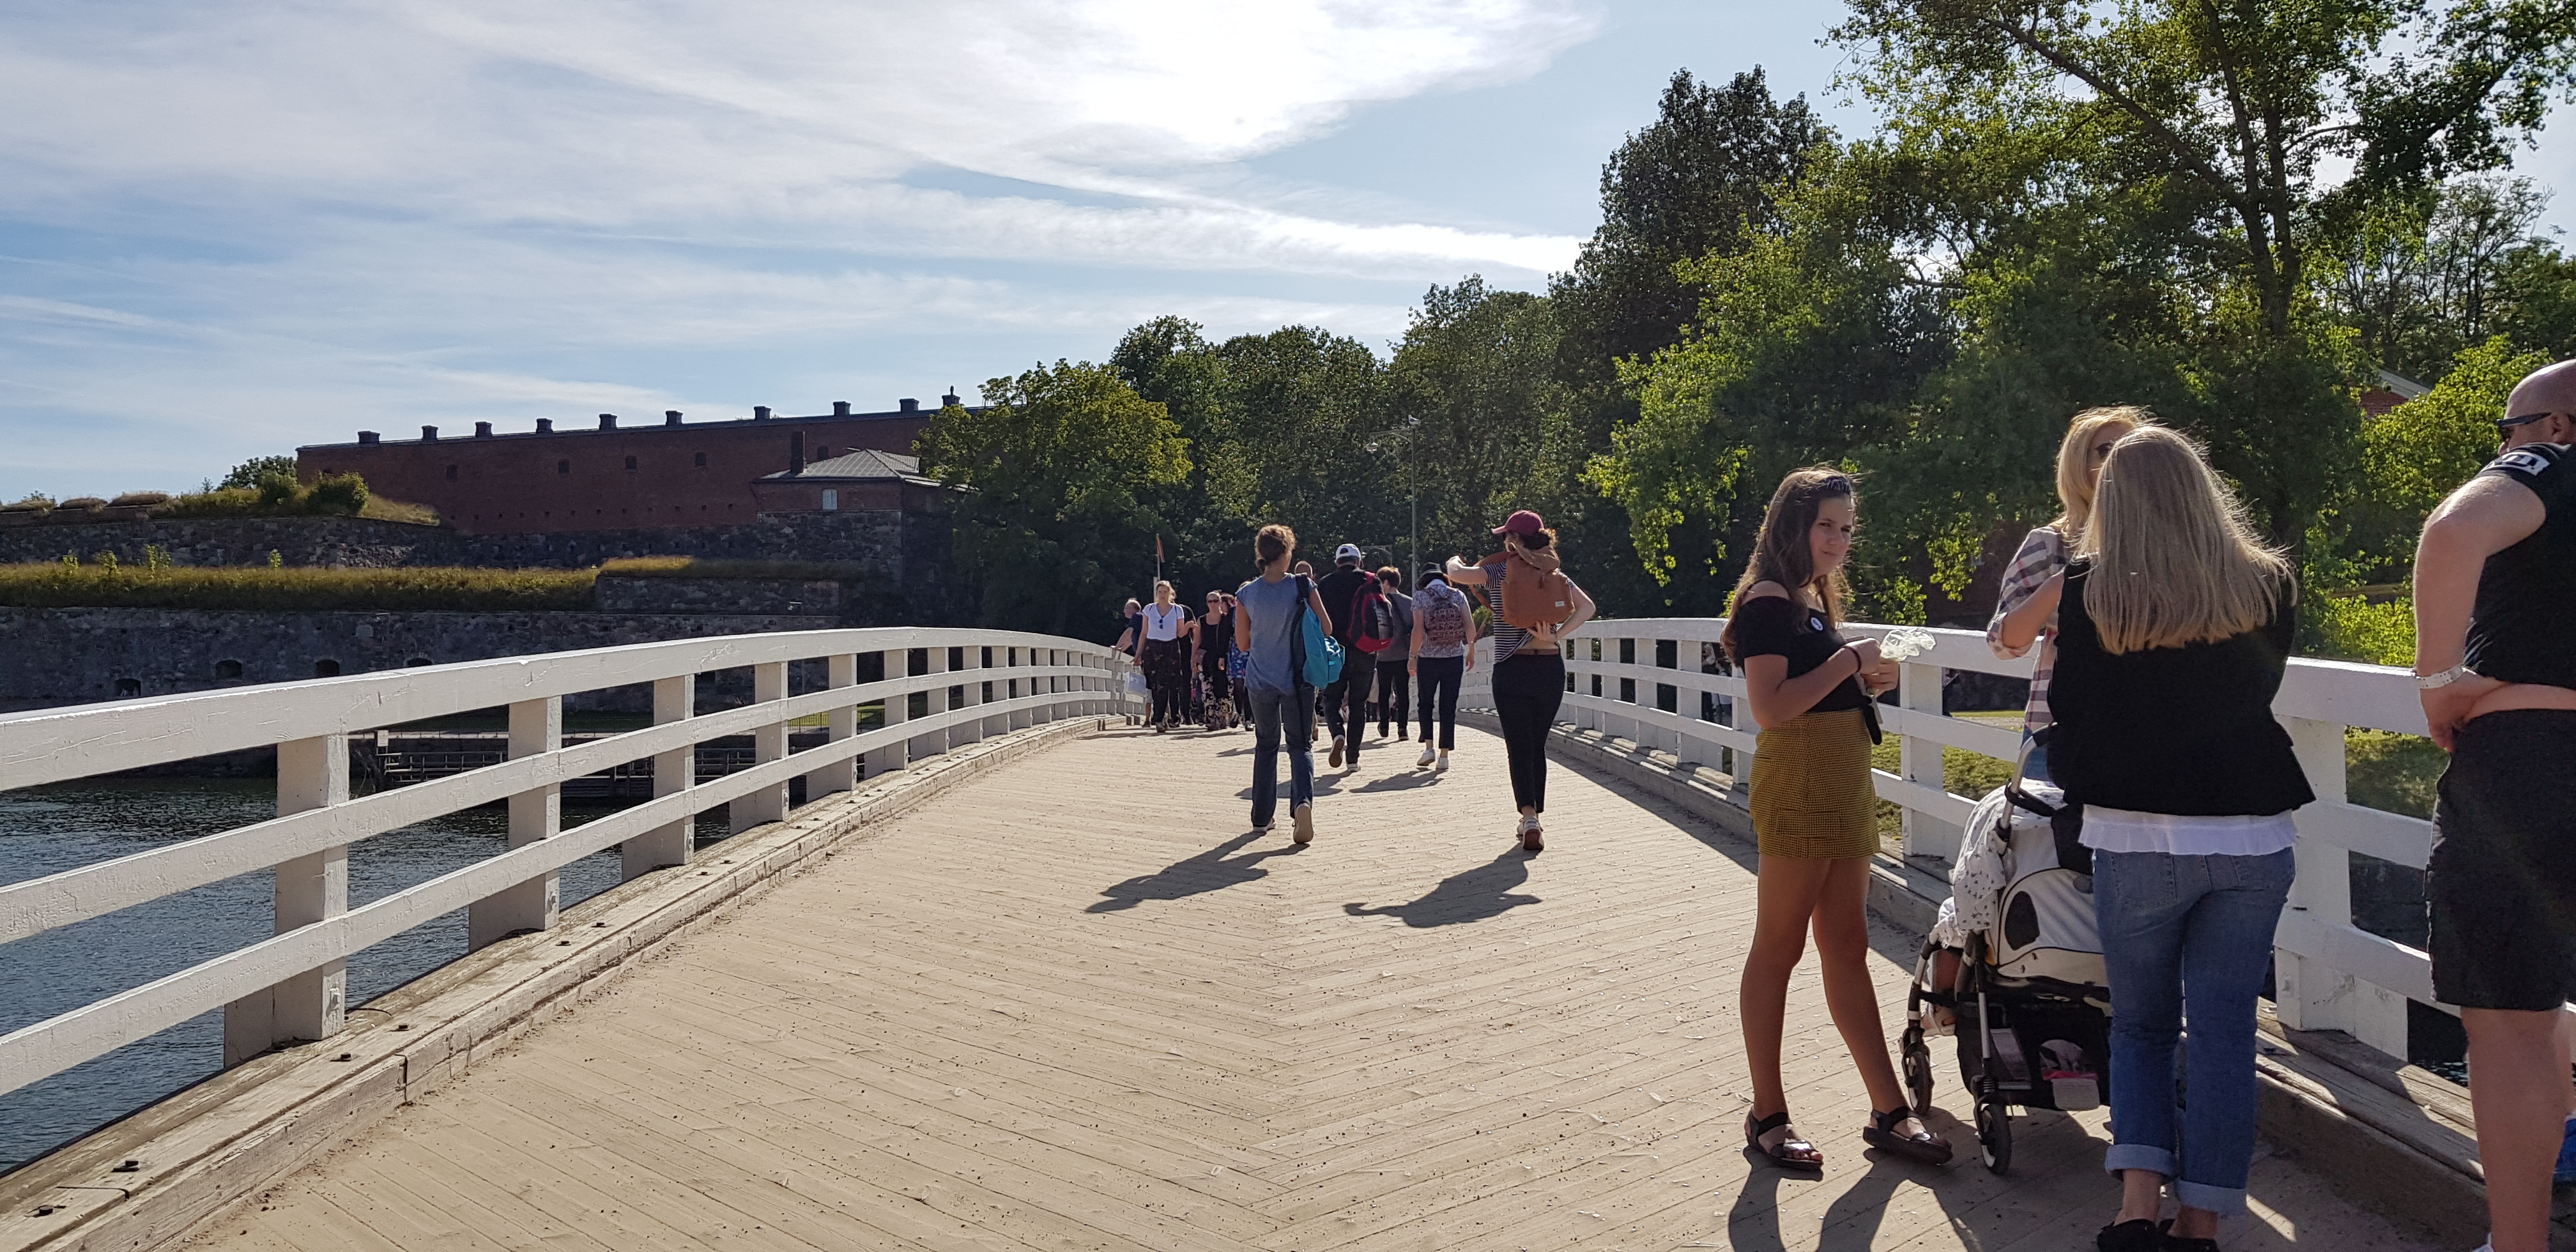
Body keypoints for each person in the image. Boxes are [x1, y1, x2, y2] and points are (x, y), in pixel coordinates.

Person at [2037, 428, 2310, 1252]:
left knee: (2143, 1026)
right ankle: (2200, 1223)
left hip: (2138, 835)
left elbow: (2068, 712)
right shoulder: (2266, 582)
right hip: (2252, 835)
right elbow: (2261, 687)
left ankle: (2135, 1210)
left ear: (2113, 501)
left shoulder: (2090, 589)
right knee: (2225, 1035)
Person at [1720, 470, 1945, 1173]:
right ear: (1791, 525)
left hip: (1844, 782)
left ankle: (1888, 1108)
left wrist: (1863, 676)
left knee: (1847, 944)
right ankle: (1768, 1111)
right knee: (1779, 947)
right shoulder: (1767, 599)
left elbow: (1815, 686)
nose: (1839, 540)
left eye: (1847, 529)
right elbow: (1771, 707)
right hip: (1798, 782)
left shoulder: (1809, 600)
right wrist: (1849, 659)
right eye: (1826, 526)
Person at [2411, 362, 2576, 1252]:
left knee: (2513, 1026)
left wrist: (2439, 679)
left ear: (2556, 427)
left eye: (2509, 431)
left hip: (2531, 769)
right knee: (2541, 1019)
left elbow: (2453, 530)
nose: (2504, 447)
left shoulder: (2550, 466)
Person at [1988, 406, 2154, 782]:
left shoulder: (2166, 544)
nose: (2120, 458)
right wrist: (2065, 581)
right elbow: (2004, 643)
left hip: (2149, 727)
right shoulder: (2051, 543)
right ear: (2079, 465)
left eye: (2132, 447)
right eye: (2106, 449)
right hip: (2060, 731)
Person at [1444, 510, 1595, 852]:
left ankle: (1529, 817)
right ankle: (1535, 816)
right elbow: (1587, 607)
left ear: (1513, 540)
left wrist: (1453, 561)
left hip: (1513, 668)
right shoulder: (1553, 571)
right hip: (1550, 668)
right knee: (1536, 745)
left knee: (1518, 746)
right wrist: (1556, 636)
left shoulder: (1500, 570)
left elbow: (1458, 575)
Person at [1236, 524, 1331, 844]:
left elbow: (1243, 644)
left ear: (1261, 554)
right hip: (1297, 679)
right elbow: (1327, 628)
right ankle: (1302, 804)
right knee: (1300, 746)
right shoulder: (1303, 585)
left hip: (1259, 680)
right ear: (1287, 552)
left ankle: (1262, 818)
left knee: (1265, 746)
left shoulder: (1246, 594)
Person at [1317, 544, 1375, 770]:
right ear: (1358, 561)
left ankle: (1338, 733)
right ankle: (1353, 759)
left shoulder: (1325, 584)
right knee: (1358, 704)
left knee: (1331, 700)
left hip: (1334, 651)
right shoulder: (1371, 581)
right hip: (1364, 649)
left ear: (1337, 562)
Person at [1410, 565, 1473, 770]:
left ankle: (1429, 748)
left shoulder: (1421, 596)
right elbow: (1469, 624)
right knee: (1448, 706)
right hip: (1454, 658)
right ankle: (1444, 756)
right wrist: (1471, 650)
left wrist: (1412, 656)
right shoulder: (1458, 595)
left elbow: (1418, 629)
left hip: (1428, 658)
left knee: (1425, 703)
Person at [1137, 581, 1195, 731]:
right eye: (1160, 592)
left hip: (1170, 647)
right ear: (1156, 594)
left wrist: (1188, 627)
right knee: (1155, 685)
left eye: (1165, 592)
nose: (1163, 595)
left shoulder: (1177, 610)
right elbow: (1144, 633)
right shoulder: (1149, 609)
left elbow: (1180, 634)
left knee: (1166, 684)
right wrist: (1138, 654)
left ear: (1170, 593)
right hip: (1152, 648)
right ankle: (1160, 717)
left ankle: (1159, 718)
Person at [1371, 565, 1415, 742]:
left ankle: (1384, 725)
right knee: (1403, 692)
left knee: (1384, 691)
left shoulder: (1378, 602)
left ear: (1386, 583)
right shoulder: (1410, 603)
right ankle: (1402, 728)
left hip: (1383, 655)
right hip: (1404, 655)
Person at [1198, 590, 1236, 731]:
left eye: (1216, 601)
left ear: (1220, 602)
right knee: (1208, 690)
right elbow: (1197, 641)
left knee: (1225, 689)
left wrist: (1223, 656)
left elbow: (1229, 639)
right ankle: (1211, 719)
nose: (1213, 604)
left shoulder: (1227, 620)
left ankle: (1223, 717)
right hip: (1207, 659)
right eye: (1210, 601)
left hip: (1224, 657)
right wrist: (1193, 660)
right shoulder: (1202, 620)